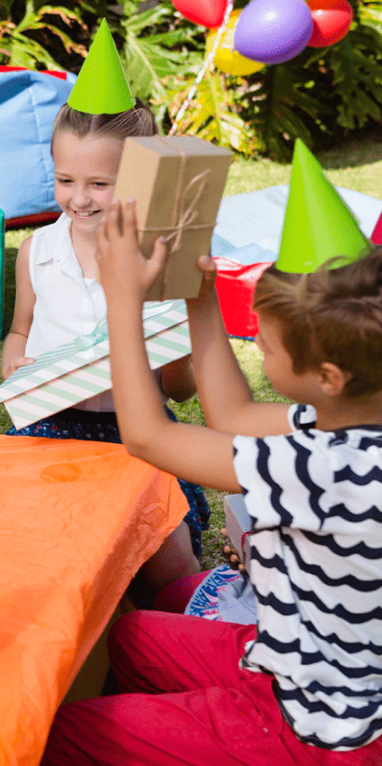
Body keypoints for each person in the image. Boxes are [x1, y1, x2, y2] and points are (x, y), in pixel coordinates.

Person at [41, 148, 382, 764]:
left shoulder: (330, 473)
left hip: (312, 730)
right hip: (292, 655)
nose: (260, 344)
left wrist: (123, 300)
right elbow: (234, 418)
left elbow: (148, 437)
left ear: (327, 375)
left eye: (267, 342)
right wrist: (201, 298)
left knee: (67, 731)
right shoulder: (355, 416)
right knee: (128, 636)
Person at [0, 21, 206, 585]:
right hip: (51, 424)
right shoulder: (38, 251)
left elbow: (182, 390)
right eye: (66, 180)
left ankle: (183, 625)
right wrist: (14, 361)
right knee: (49, 545)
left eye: (100, 183)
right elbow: (20, 331)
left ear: (141, 175)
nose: (79, 199)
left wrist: (173, 360)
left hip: (136, 429)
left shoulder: (158, 257)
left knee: (169, 556)